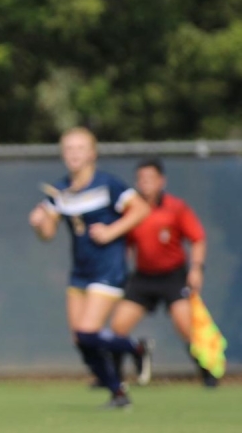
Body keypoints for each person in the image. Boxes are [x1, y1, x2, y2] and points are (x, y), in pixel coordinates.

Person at [28, 128, 150, 408]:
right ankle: (118, 393)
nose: (74, 153)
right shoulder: (60, 191)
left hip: (108, 268)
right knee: (81, 340)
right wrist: (39, 222)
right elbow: (47, 234)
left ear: (92, 153)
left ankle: (135, 347)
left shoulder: (108, 184)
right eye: (69, 148)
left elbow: (141, 209)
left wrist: (111, 231)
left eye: (80, 148)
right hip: (80, 272)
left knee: (87, 331)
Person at [108, 158, 214, 386]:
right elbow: (123, 246)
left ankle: (207, 372)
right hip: (143, 277)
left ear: (161, 181)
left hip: (173, 276)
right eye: (141, 179)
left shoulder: (176, 208)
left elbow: (198, 238)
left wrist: (196, 269)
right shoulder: (131, 210)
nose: (145, 183)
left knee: (186, 326)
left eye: (151, 179)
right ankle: (112, 378)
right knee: (118, 327)